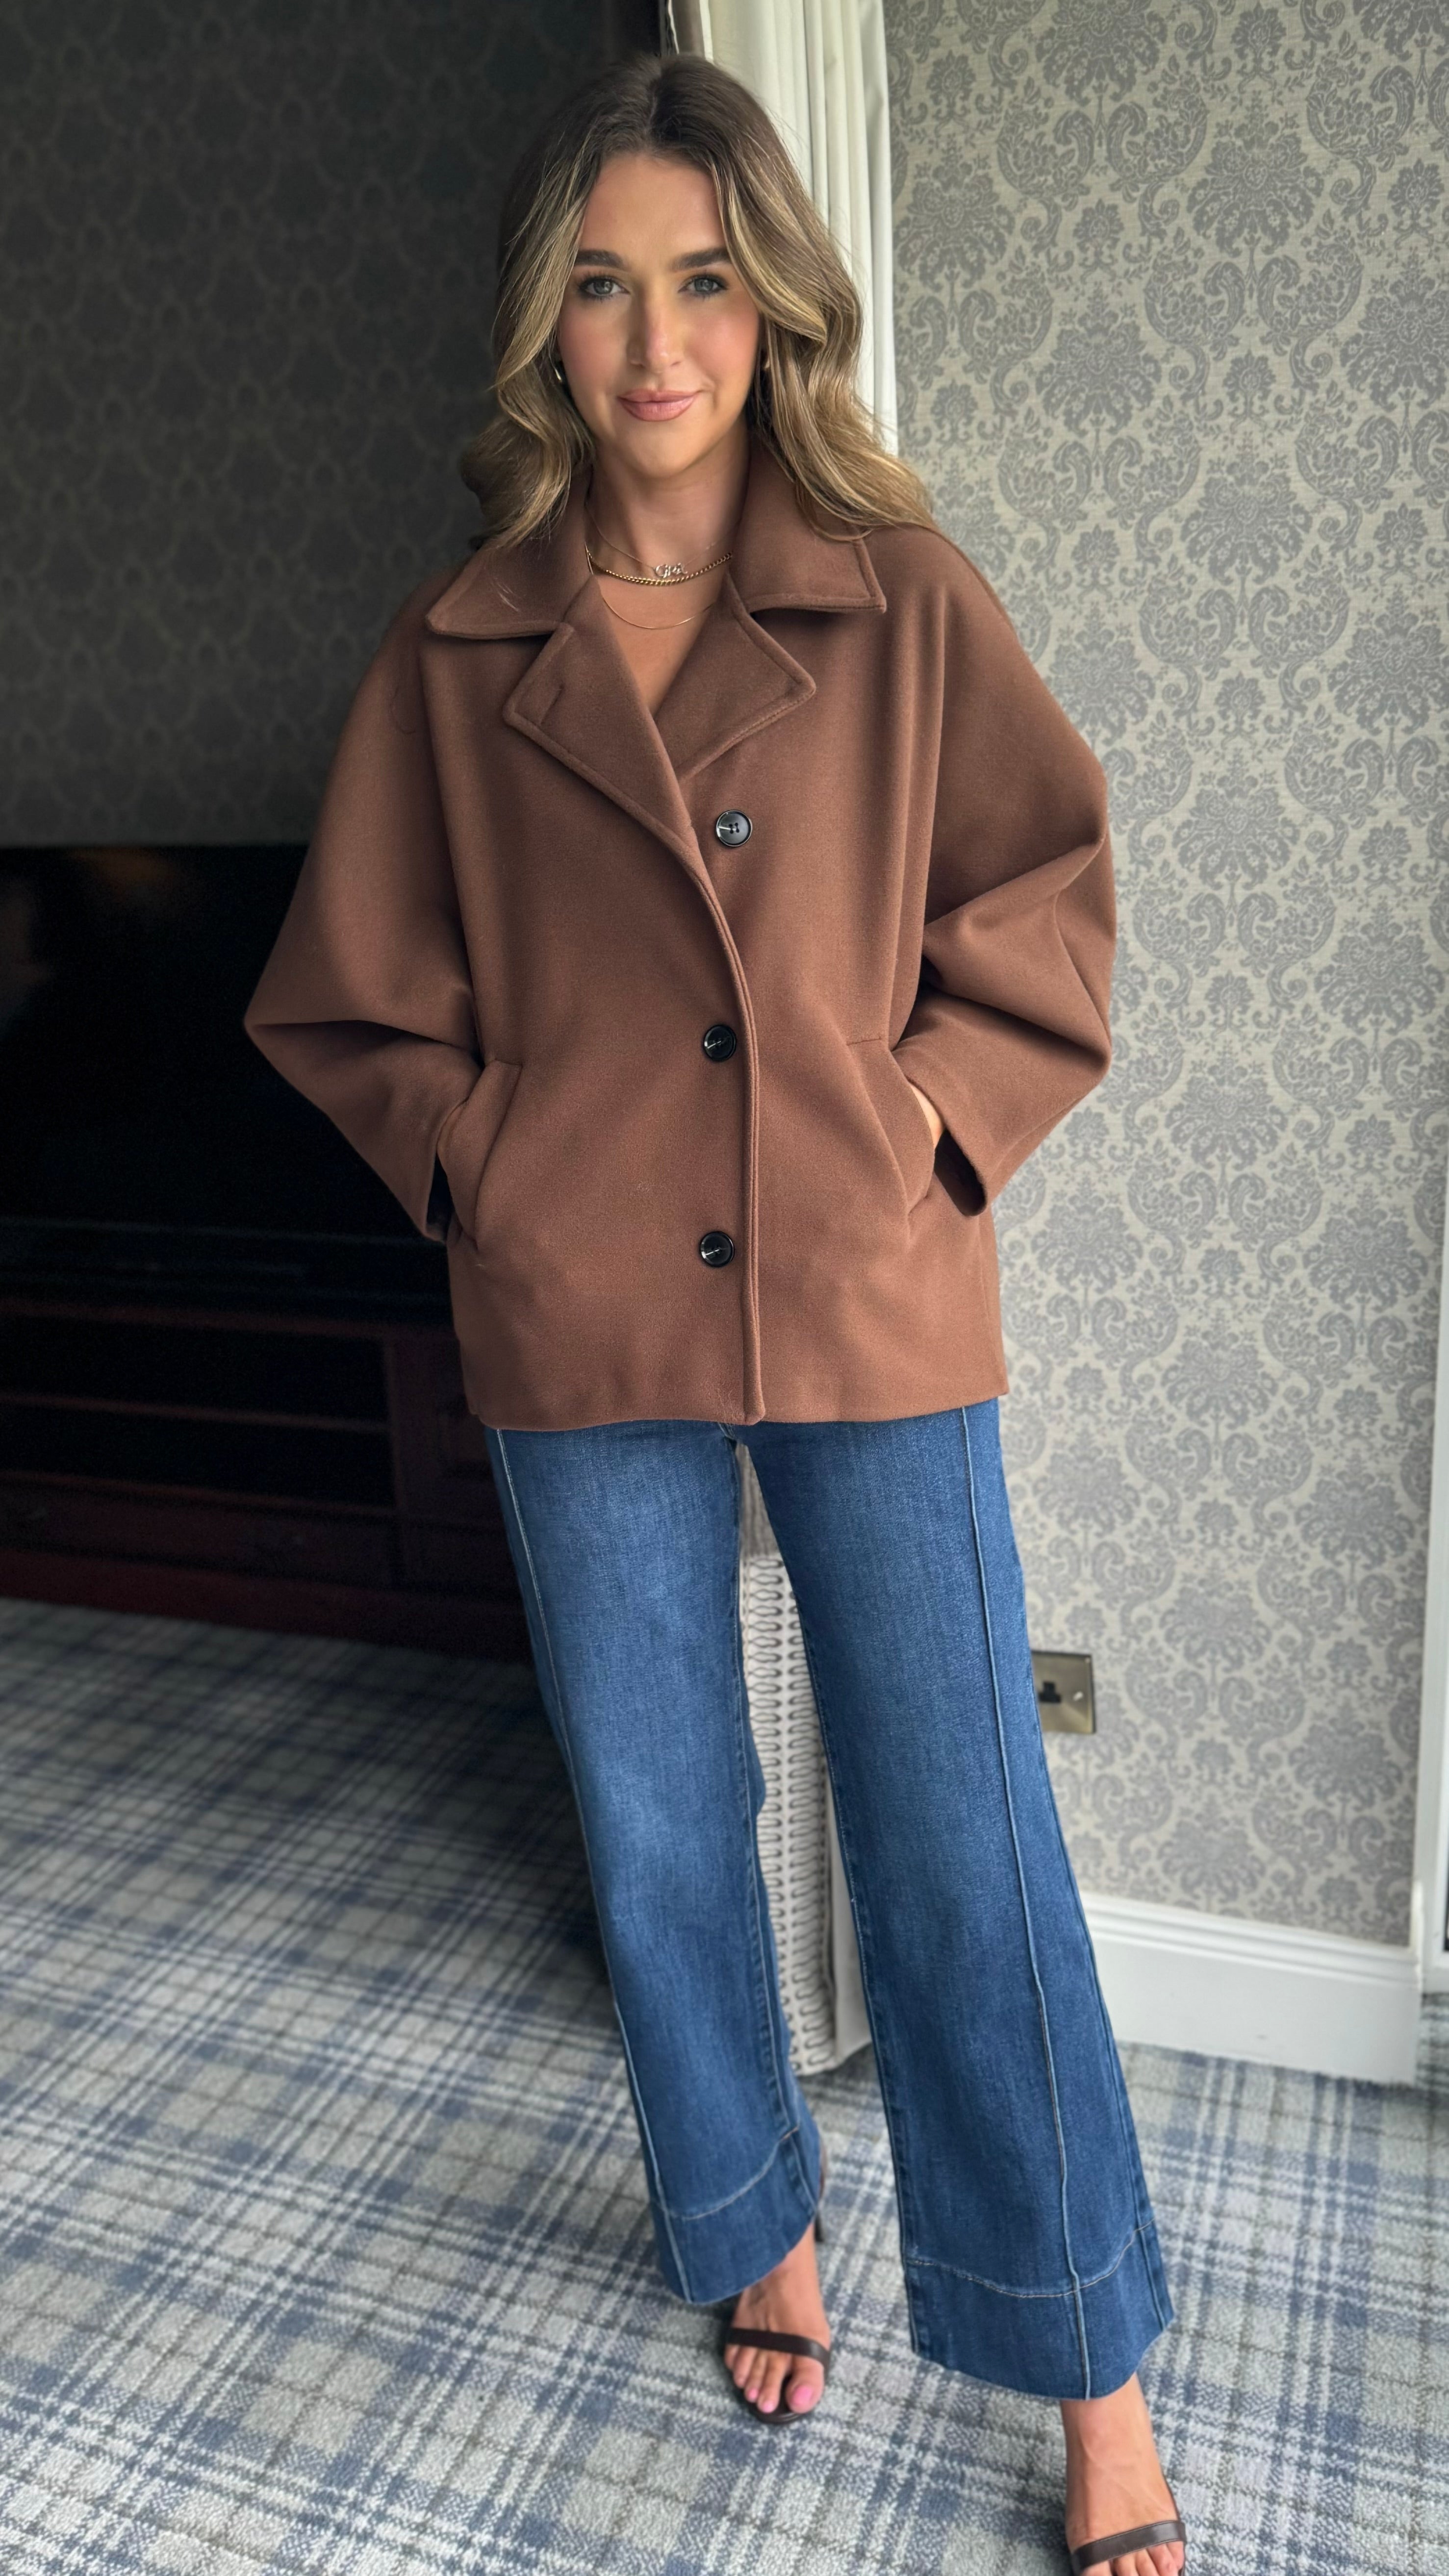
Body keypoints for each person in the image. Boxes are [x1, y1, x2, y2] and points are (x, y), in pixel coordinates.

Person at [246, 53, 1188, 2576]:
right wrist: (492, 1170)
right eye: (599, 284)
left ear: (772, 311)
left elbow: (1044, 908)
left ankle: (1087, 2365)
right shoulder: (454, 653)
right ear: (542, 324)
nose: (654, 342)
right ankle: (750, 2220)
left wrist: (925, 1130)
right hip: (580, 1312)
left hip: (863, 1285)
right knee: (661, 1816)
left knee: (962, 1832)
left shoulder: (902, 599)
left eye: (701, 282)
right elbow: (344, 1003)